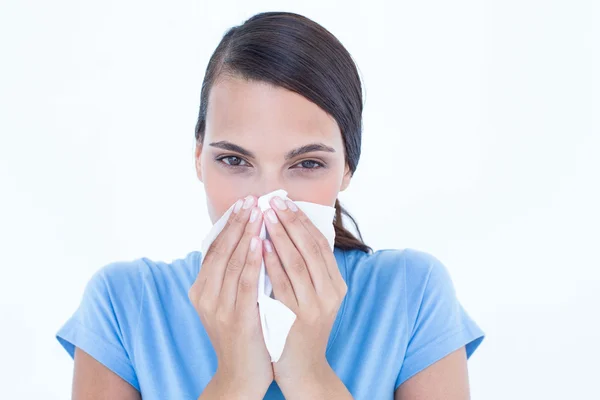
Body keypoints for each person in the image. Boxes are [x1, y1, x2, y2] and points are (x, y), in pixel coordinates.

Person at [56, 11, 485, 400]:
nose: (267, 199)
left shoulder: (411, 293)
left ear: (347, 170)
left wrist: (308, 373)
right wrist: (236, 379)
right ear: (198, 158)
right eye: (235, 160)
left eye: (307, 163)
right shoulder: (123, 304)